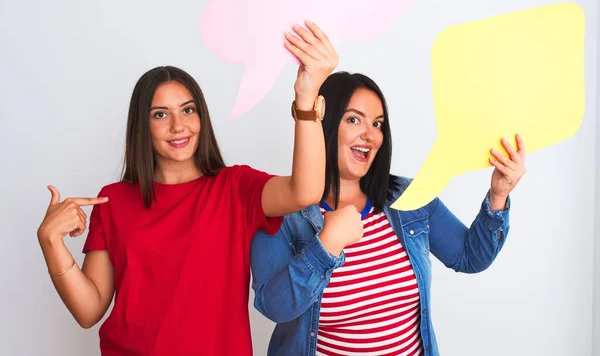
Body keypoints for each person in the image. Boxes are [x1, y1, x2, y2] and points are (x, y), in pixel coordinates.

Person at [36, 21, 338, 355]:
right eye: (160, 114)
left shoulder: (234, 188)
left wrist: (307, 99)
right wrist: (51, 242)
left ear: (201, 116)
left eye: (188, 110)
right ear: (143, 126)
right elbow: (89, 310)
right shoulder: (114, 200)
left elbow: (305, 192)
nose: (178, 125)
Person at [250, 72, 527, 356]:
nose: (370, 135)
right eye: (353, 119)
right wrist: (326, 246)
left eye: (378, 124)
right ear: (325, 123)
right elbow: (274, 308)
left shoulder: (410, 198)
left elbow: (470, 257)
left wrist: (498, 195)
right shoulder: (282, 210)